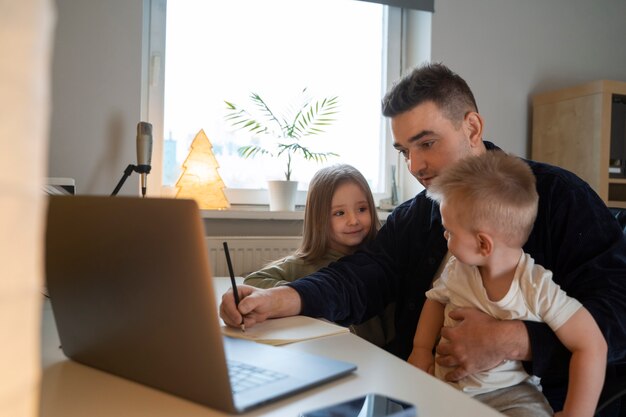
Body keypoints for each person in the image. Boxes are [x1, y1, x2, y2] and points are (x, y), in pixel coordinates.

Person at [220, 63, 626, 416]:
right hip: (417, 391)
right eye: (403, 151)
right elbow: (365, 274)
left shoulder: (559, 197)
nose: (415, 165)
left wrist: (514, 340)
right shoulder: (418, 213)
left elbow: (618, 312)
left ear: (472, 127)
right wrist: (282, 299)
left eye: (427, 143)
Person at [408, 151, 606, 417]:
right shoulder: (458, 269)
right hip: (450, 391)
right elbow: (435, 300)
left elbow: (592, 345)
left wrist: (576, 413)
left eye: (450, 232)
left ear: (483, 244)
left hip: (512, 398)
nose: (444, 236)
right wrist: (420, 349)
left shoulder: (536, 287)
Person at [244, 164, 394, 346]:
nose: (353, 220)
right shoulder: (303, 264)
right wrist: (303, 297)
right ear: (319, 219)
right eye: (339, 213)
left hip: (378, 359)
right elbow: (254, 281)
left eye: (362, 209)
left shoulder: (380, 265)